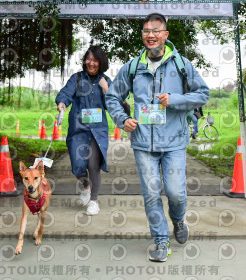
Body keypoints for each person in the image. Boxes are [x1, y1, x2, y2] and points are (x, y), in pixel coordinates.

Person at [106, 13, 210, 262]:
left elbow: (202, 94)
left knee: (175, 193)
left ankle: (178, 219)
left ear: (165, 34)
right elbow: (112, 97)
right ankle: (161, 241)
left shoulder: (182, 65)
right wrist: (122, 119)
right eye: (146, 31)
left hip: (174, 142)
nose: (150, 35)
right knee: (152, 194)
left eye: (155, 30)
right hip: (143, 142)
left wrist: (175, 100)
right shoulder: (133, 67)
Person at [55, 45, 111, 216]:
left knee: (93, 164)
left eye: (95, 60)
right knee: (77, 166)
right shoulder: (77, 78)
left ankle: (94, 201)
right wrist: (62, 103)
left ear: (101, 62)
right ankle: (86, 187)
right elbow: (65, 94)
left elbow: (114, 104)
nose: (91, 63)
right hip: (78, 129)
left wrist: (106, 89)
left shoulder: (105, 80)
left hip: (97, 131)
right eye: (88, 59)